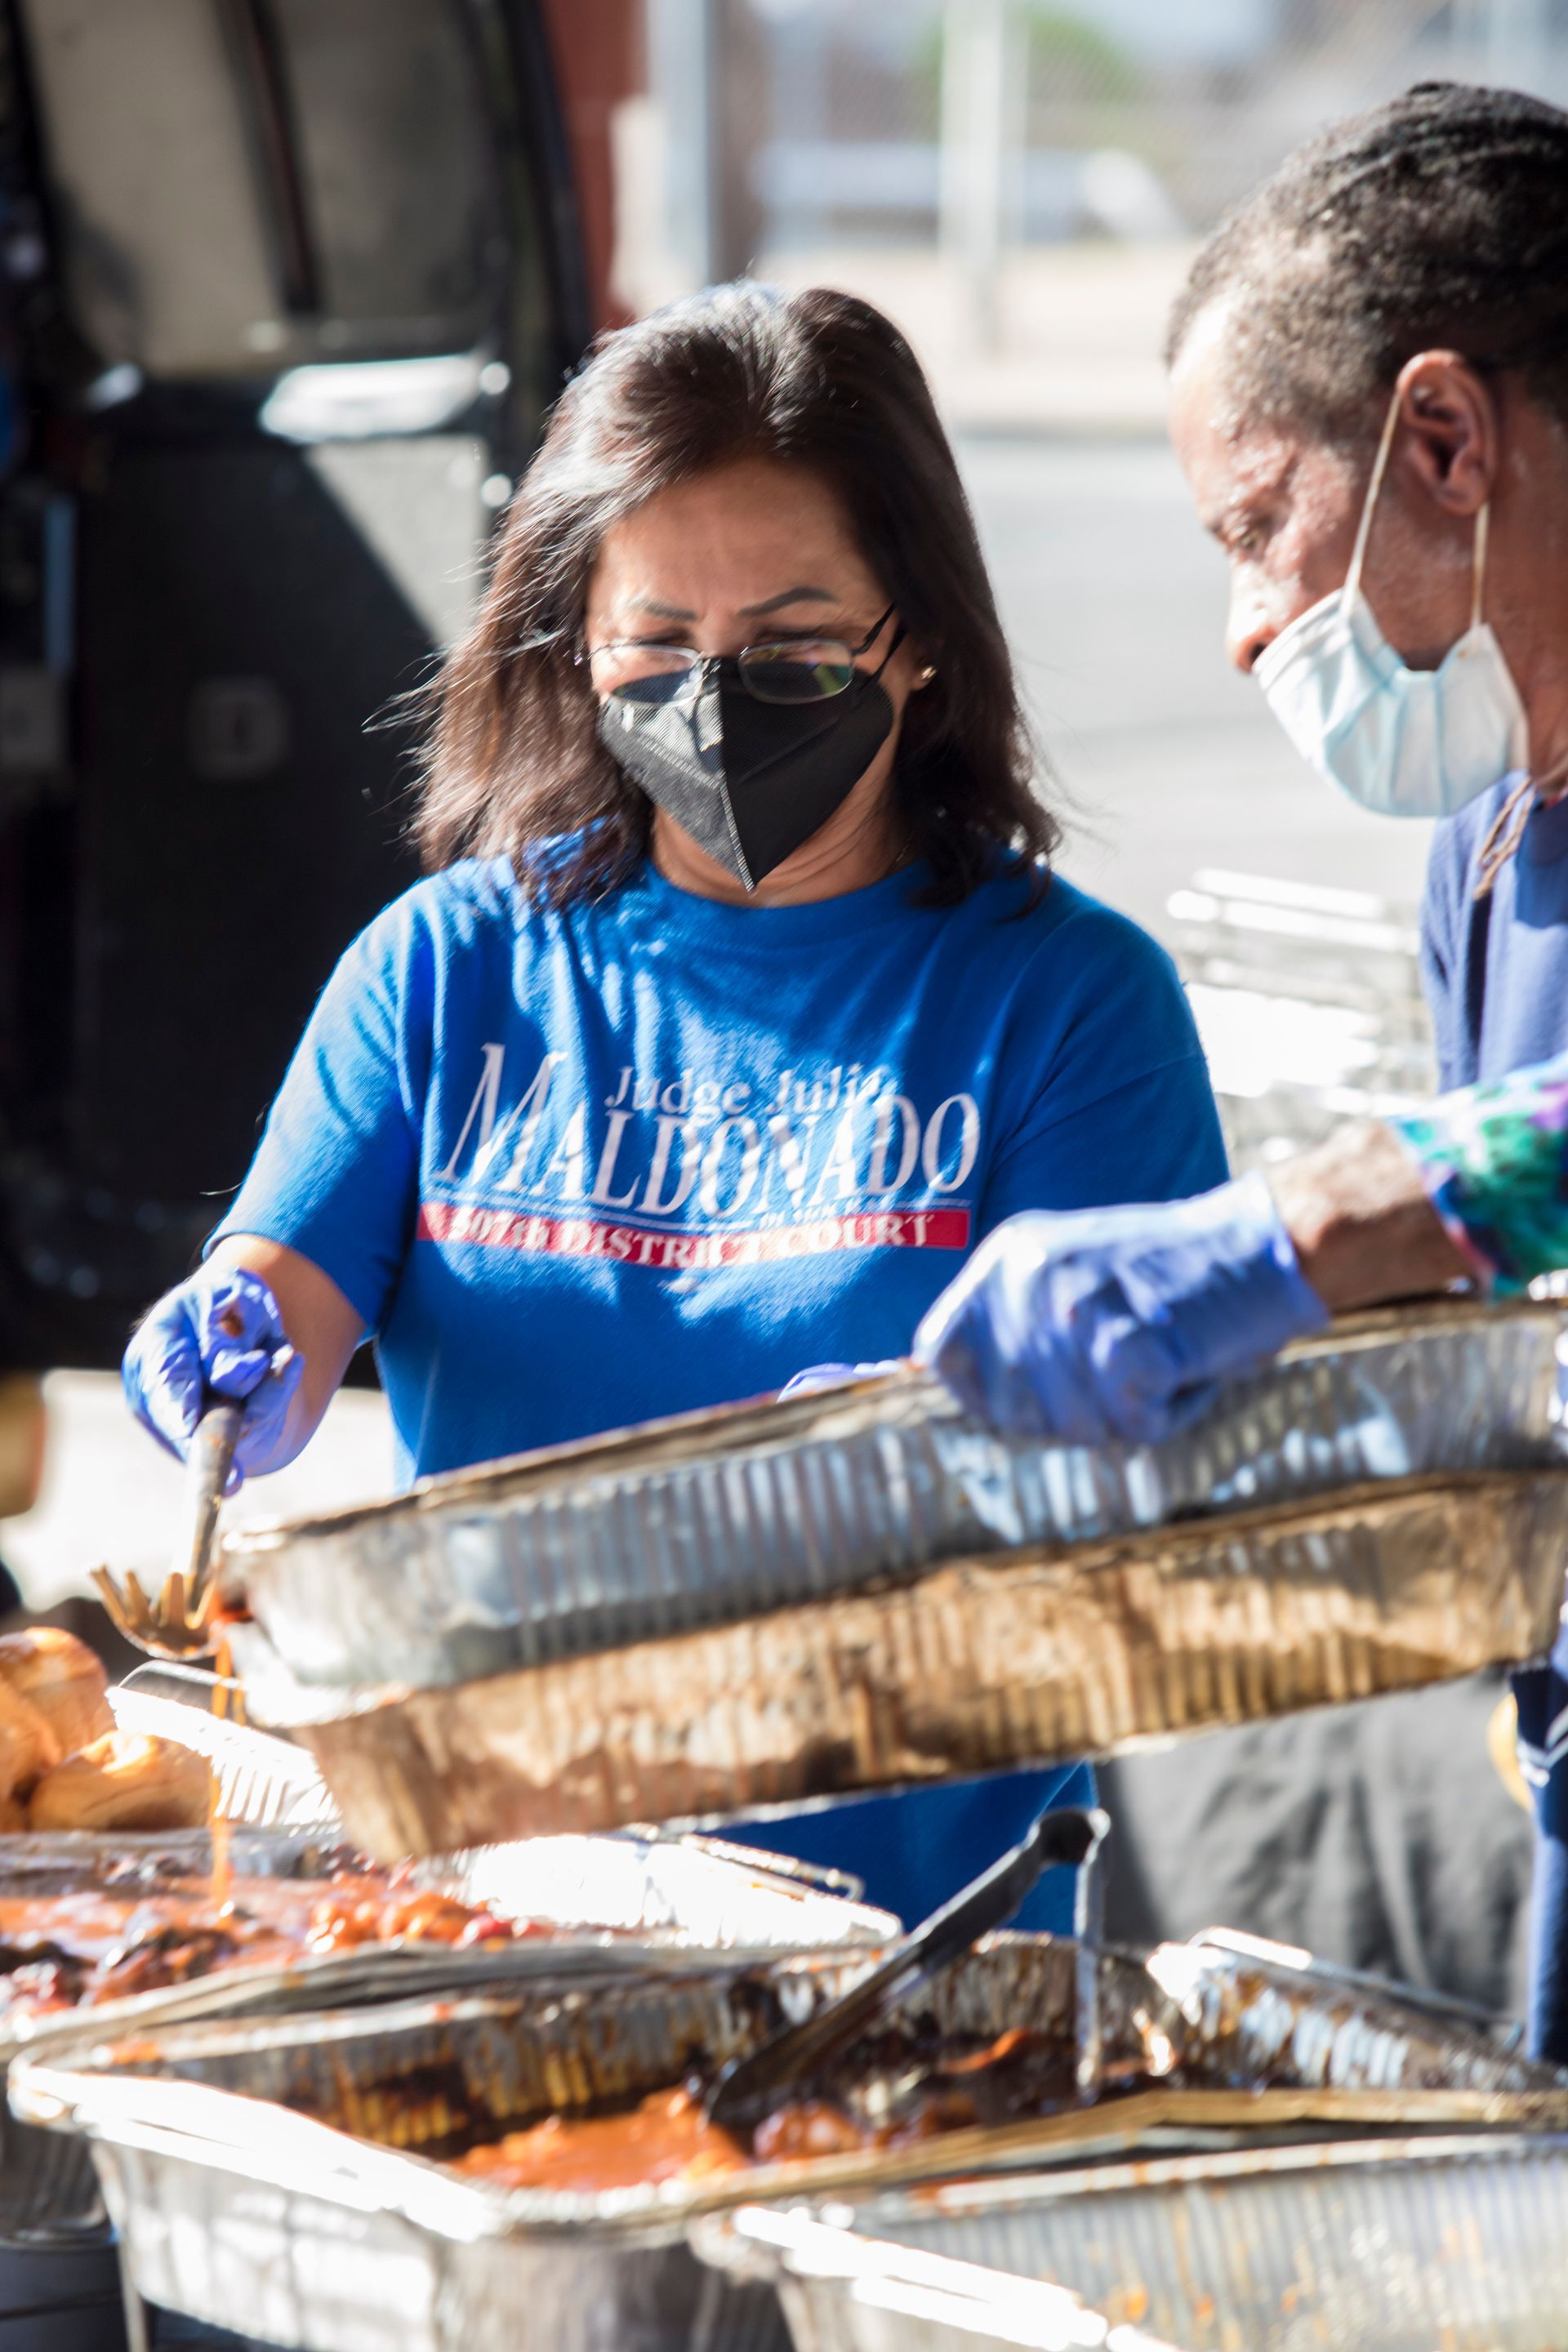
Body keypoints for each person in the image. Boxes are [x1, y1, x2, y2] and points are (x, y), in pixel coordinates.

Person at [121, 282, 1227, 1931]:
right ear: (578, 645)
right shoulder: (449, 970)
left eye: (789, 646)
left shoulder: (1069, 1006)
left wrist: (937, 1455)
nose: (716, 697)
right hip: (496, 1921)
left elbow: (1157, 1503)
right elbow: (275, 1321)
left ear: (915, 644)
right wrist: (226, 1359)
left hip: (906, 1967)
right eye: (658, 645)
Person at [911, 82, 1568, 2051]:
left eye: (1259, 522)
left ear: (1442, 441)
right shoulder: (1487, 849)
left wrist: (1325, 1218)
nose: (1243, 623)